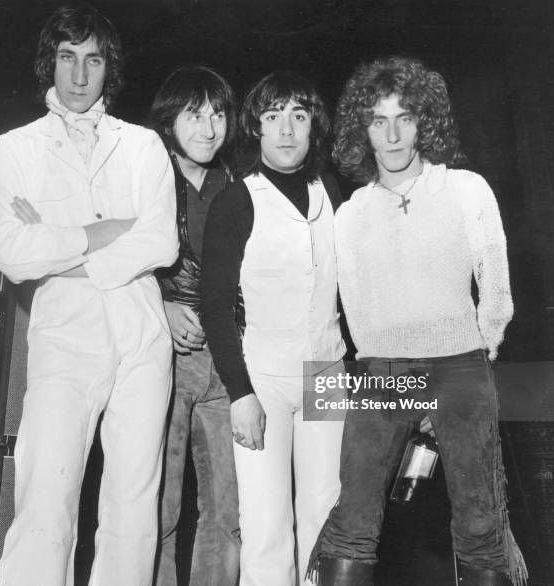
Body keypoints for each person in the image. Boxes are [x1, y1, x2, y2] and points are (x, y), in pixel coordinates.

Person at [307, 56, 527, 586]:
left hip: (460, 368)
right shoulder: (350, 213)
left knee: (479, 517)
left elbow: (495, 284)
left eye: (404, 117)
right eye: (378, 120)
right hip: (386, 372)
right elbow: (353, 309)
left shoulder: (466, 189)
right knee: (354, 514)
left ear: (423, 121)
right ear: (364, 130)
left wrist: (480, 359)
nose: (393, 133)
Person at [0, 5, 178, 585]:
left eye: (92, 60)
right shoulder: (17, 147)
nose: (78, 74)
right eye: (67, 57)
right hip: (64, 337)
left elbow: (161, 239)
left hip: (141, 335)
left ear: (107, 69)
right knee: (46, 494)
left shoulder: (142, 146)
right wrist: (102, 232)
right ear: (52, 63)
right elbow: (12, 253)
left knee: (133, 506)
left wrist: (60, 249)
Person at [201, 70, 347, 586]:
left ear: (314, 127)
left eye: (299, 116)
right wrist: (240, 394)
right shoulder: (237, 201)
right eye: (272, 116)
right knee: (265, 524)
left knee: (327, 514)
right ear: (256, 129)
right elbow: (215, 306)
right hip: (263, 378)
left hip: (328, 372)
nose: (286, 130)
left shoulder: (331, 191)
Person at [148, 65, 240, 586]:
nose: (208, 128)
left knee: (228, 514)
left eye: (218, 114)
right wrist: (160, 304)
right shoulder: (147, 176)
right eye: (194, 114)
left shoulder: (241, 184)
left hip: (228, 364)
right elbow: (113, 259)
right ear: (170, 121)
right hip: (167, 357)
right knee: (158, 509)